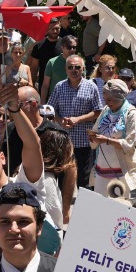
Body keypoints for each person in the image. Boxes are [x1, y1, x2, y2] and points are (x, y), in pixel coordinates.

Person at [47, 54, 103, 187]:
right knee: (61, 178)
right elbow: (50, 110)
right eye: (70, 67)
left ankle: (82, 206)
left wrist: (78, 119)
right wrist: (60, 120)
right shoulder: (59, 87)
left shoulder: (91, 87)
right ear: (66, 70)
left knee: (83, 179)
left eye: (77, 67)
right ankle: (63, 205)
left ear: (83, 69)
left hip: (83, 141)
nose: (74, 70)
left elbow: (98, 111)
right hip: (63, 142)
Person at [89, 78, 136, 196]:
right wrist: (93, 137)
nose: (107, 103)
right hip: (101, 168)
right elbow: (95, 129)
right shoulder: (106, 111)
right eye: (105, 99)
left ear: (120, 98)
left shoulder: (131, 114)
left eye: (110, 100)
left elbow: (130, 144)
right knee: (101, 205)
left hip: (120, 171)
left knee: (119, 207)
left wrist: (107, 140)